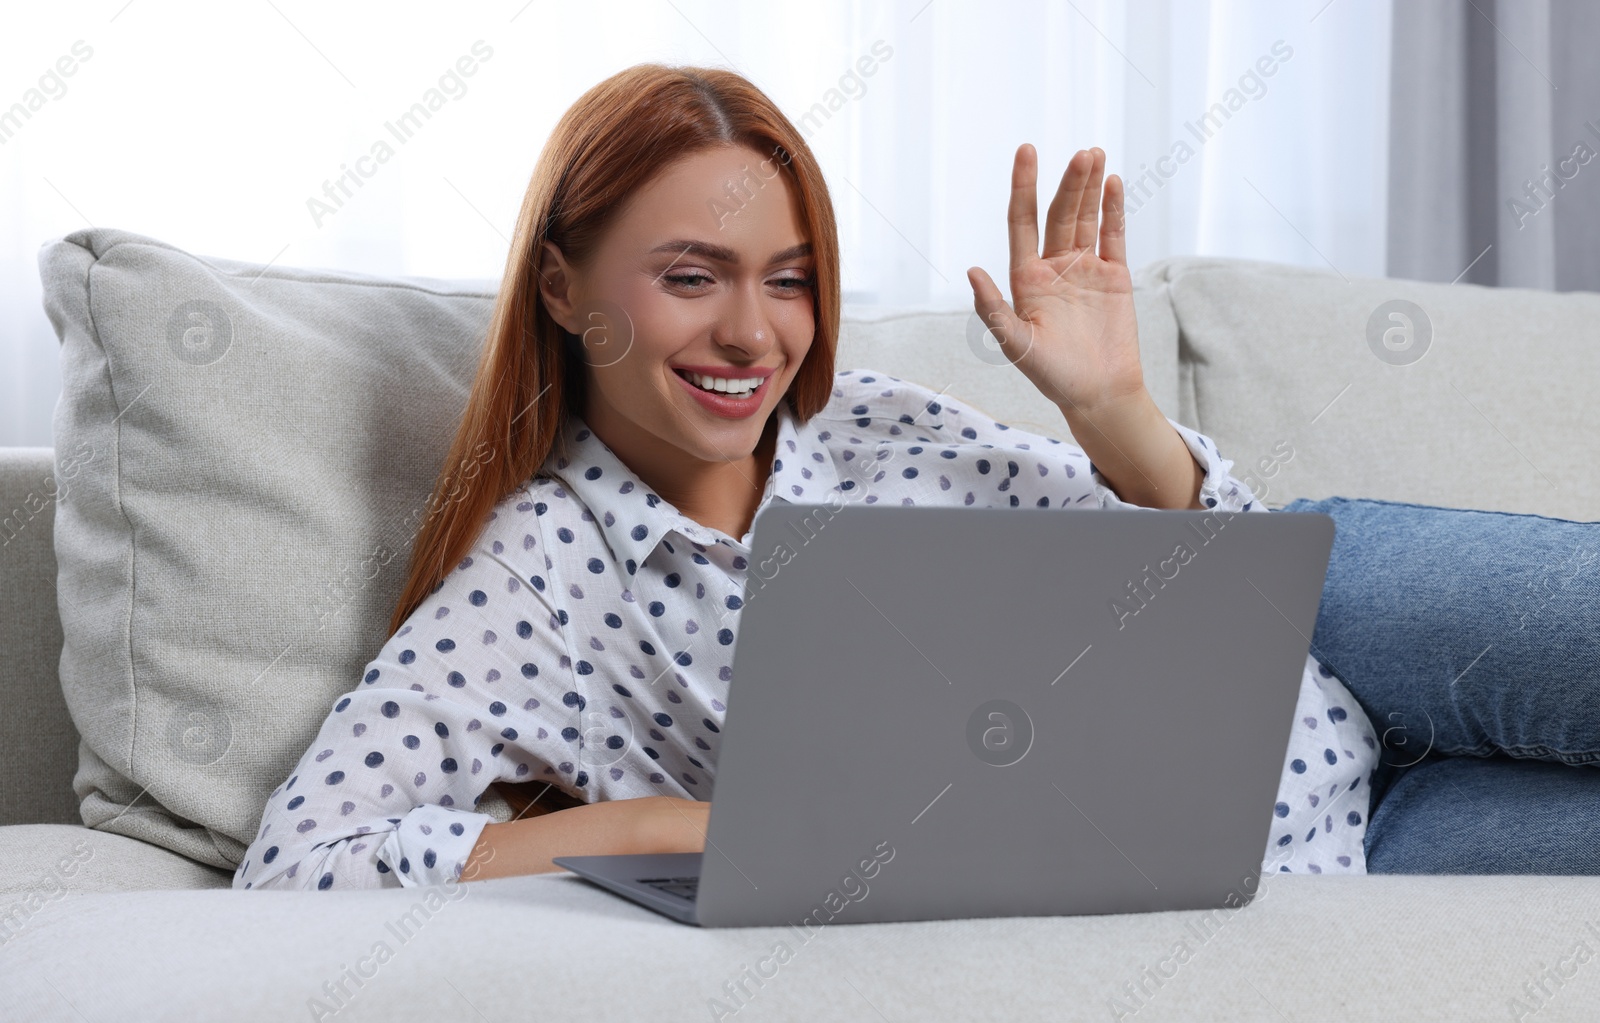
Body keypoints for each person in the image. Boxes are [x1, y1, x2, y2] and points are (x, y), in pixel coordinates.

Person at [233, 62, 1594, 892]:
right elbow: (301, 864)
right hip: (1344, 848)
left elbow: (1221, 574)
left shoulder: (872, 427)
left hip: (1348, 619)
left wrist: (1115, 409)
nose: (753, 335)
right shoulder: (543, 580)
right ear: (562, 286)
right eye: (689, 279)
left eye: (789, 281)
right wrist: (671, 826)